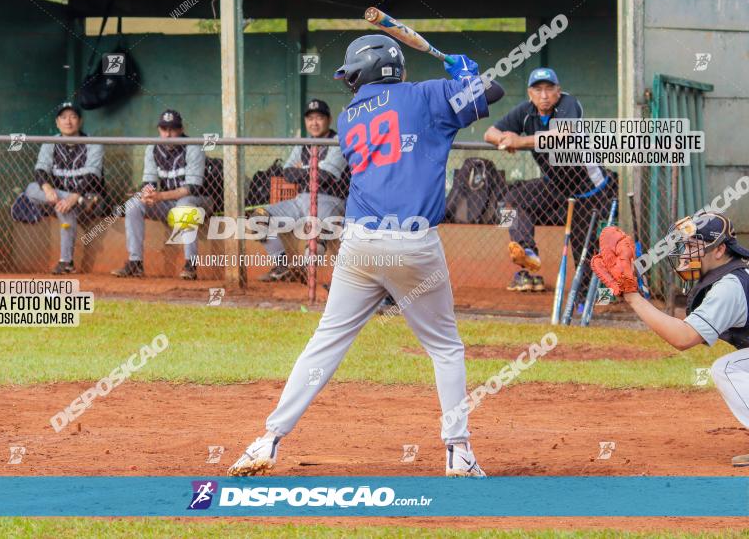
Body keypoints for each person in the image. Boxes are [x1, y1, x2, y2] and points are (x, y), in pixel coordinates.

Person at [228, 34, 504, 478]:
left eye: (352, 76)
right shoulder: (428, 94)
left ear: (366, 74)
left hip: (359, 242)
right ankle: (458, 451)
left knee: (326, 341)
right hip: (415, 242)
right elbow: (491, 93)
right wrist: (466, 73)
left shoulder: (352, 115)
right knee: (445, 347)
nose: (351, 84)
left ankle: (268, 440)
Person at [591, 213, 749, 466]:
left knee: (728, 369)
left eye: (694, 246)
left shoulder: (729, 286)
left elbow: (683, 338)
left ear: (719, 250)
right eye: (685, 247)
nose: (686, 254)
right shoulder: (735, 275)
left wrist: (632, 297)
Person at [483, 68, 616, 300]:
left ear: (558, 91)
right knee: (510, 202)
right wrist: (504, 141)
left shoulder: (568, 104)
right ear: (530, 93)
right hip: (554, 184)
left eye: (549, 89)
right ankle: (528, 252)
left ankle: (590, 298)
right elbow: (489, 133)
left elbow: (561, 136)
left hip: (588, 188)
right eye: (538, 89)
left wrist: (520, 140)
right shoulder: (525, 112)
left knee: (582, 246)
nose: (543, 95)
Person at [256, 99, 348, 283]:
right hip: (300, 200)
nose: (314, 123)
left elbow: (326, 176)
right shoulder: (303, 143)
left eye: (319, 118)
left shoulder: (338, 141)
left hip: (329, 200)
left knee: (318, 231)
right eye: (310, 118)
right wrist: (312, 170)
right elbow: (287, 173)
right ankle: (281, 267)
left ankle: (306, 273)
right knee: (257, 218)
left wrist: (302, 170)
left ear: (329, 119)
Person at [112, 109, 209, 280]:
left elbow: (192, 188)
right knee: (133, 204)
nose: (168, 134)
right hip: (169, 201)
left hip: (201, 201)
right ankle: (135, 263)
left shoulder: (193, 146)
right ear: (159, 129)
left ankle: (190, 264)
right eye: (164, 129)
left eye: (172, 129)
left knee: (184, 205)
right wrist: (146, 195)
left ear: (181, 129)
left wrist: (160, 197)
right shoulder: (153, 148)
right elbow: (147, 184)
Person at [24, 102, 104, 275]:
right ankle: (67, 262)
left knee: (64, 207)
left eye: (73, 117)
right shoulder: (50, 143)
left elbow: (92, 178)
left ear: (80, 121)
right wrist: (46, 188)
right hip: (65, 200)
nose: (68, 121)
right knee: (32, 189)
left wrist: (75, 197)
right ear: (57, 122)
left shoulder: (93, 143)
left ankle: (66, 261)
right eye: (63, 117)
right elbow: (40, 171)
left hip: (91, 200)